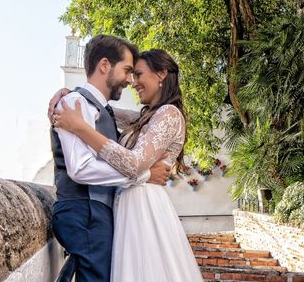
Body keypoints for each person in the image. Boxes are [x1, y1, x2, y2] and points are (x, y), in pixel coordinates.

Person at [52, 48, 204, 282]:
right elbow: (102, 109)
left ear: (161, 74)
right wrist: (69, 95)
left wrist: (80, 128)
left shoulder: (170, 114)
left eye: (139, 74)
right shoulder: (147, 117)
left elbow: (134, 164)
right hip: (126, 204)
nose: (134, 83)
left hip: (145, 205)